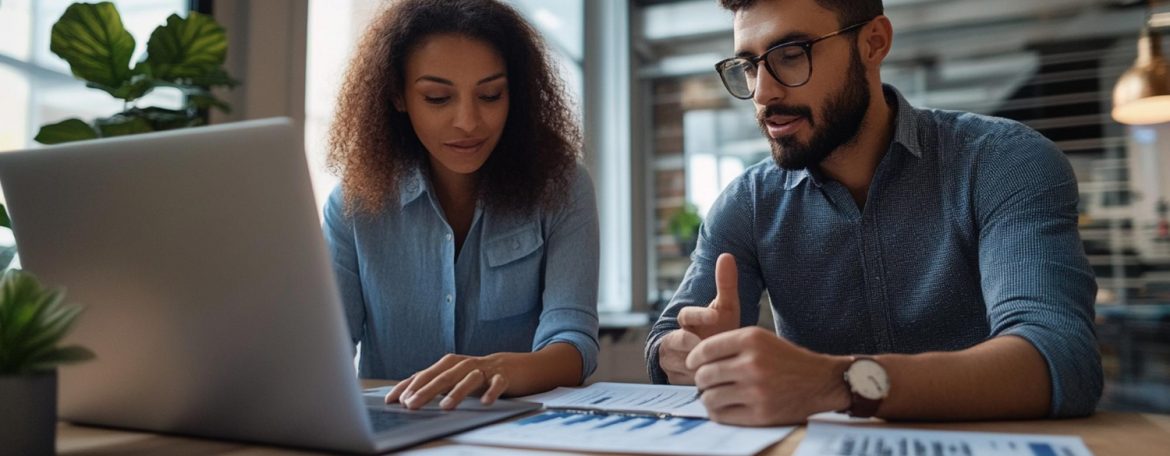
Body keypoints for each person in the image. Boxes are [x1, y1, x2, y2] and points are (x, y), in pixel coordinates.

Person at [646, 0, 1101, 426]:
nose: (764, 93)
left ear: (873, 43)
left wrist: (836, 382)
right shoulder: (747, 202)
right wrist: (692, 352)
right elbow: (665, 340)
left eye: (790, 54)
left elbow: (1061, 358)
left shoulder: (1001, 161)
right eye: (748, 65)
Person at [324, 0, 599, 411]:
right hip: (395, 427)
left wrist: (494, 371)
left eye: (490, 95)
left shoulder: (561, 186)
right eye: (437, 98)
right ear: (398, 95)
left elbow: (574, 344)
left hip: (520, 432)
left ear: (514, 94)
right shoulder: (353, 204)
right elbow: (325, 355)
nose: (468, 121)